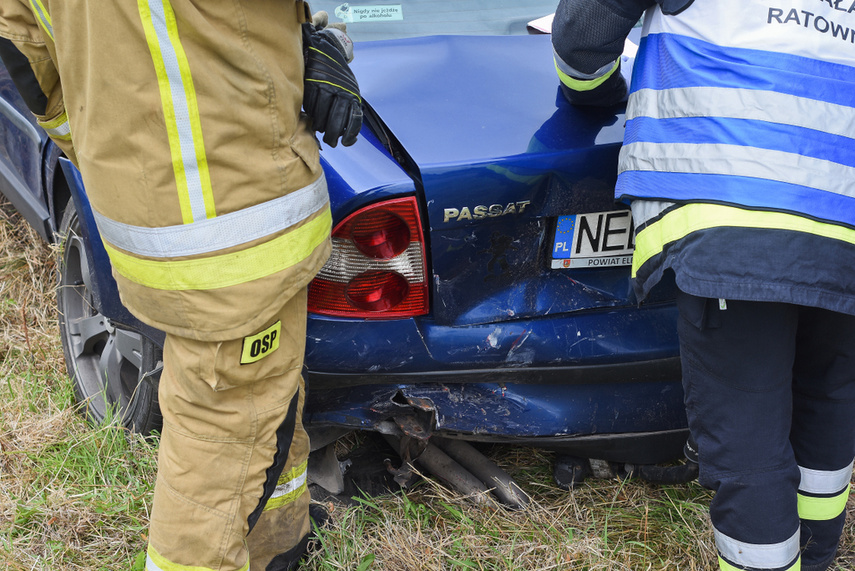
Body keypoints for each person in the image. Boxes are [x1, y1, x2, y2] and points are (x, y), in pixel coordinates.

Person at [0, 1, 362, 570]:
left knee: (260, 393)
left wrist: (110, 156)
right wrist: (320, 41)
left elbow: (26, 55)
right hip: (241, 230)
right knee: (222, 423)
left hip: (147, 224)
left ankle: (280, 542)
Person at [552, 1, 855, 570]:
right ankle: (817, 559)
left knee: (749, 448)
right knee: (829, 408)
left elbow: (582, 34)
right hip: (846, 213)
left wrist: (591, 90)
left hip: (736, 206)